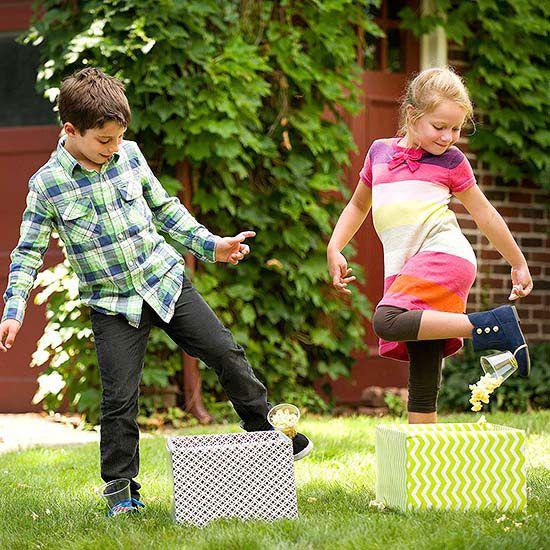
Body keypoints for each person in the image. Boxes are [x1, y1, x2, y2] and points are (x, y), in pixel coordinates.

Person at [0, 68, 312, 515]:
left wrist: (212, 245)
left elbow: (165, 210)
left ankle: (266, 431)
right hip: (112, 305)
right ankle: (123, 493)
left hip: (163, 280)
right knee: (119, 400)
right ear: (70, 130)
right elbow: (27, 252)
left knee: (225, 351)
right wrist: (14, 310)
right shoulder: (47, 185)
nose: (111, 149)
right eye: (103, 141)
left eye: (117, 138)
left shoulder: (128, 155)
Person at [327, 67, 533, 425]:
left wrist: (517, 261)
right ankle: (422, 460)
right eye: (440, 126)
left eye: (456, 129)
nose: (449, 136)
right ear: (412, 115)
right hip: (409, 267)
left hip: (445, 256)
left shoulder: (452, 162)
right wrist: (335, 246)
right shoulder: (379, 153)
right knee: (424, 363)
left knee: (386, 319)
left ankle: (492, 325)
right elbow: (359, 205)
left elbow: (484, 215)